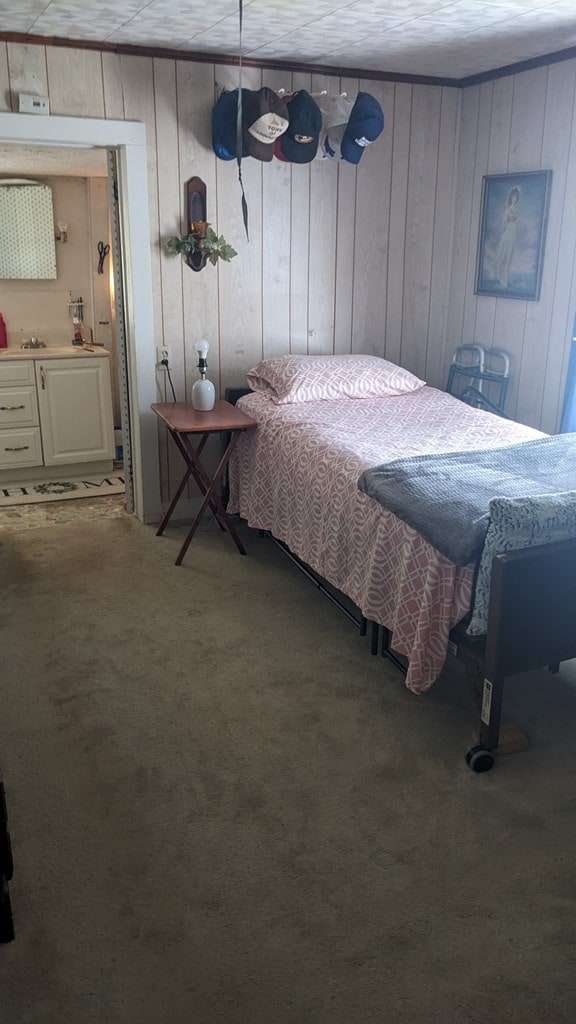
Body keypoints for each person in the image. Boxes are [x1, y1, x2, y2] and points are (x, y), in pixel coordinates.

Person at [492, 186, 520, 288]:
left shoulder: (516, 210)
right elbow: (504, 222)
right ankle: (500, 275)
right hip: (508, 232)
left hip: (513, 233)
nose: (514, 199)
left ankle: (505, 278)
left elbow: (518, 223)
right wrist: (506, 229)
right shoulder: (508, 210)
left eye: (516, 197)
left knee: (509, 256)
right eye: (513, 197)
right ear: (510, 198)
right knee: (503, 254)